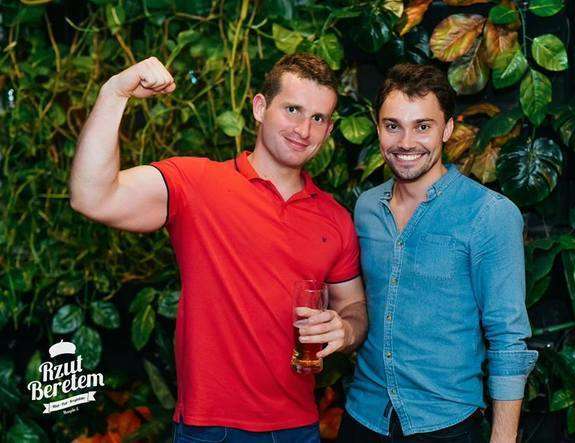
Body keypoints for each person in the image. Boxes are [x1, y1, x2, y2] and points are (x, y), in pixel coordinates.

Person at [69, 53, 367, 443]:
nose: (303, 129)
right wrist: (114, 93)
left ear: (328, 130)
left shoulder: (335, 219)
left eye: (318, 118)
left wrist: (346, 328)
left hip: (299, 428)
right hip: (210, 428)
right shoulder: (196, 182)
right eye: (292, 109)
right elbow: (91, 197)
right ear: (260, 108)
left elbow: (353, 306)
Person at [338, 63, 538, 443]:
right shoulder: (366, 208)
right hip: (363, 417)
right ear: (378, 128)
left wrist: (503, 437)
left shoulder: (489, 214)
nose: (406, 142)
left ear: (447, 129)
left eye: (423, 126)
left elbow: (508, 339)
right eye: (393, 125)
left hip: (445, 426)